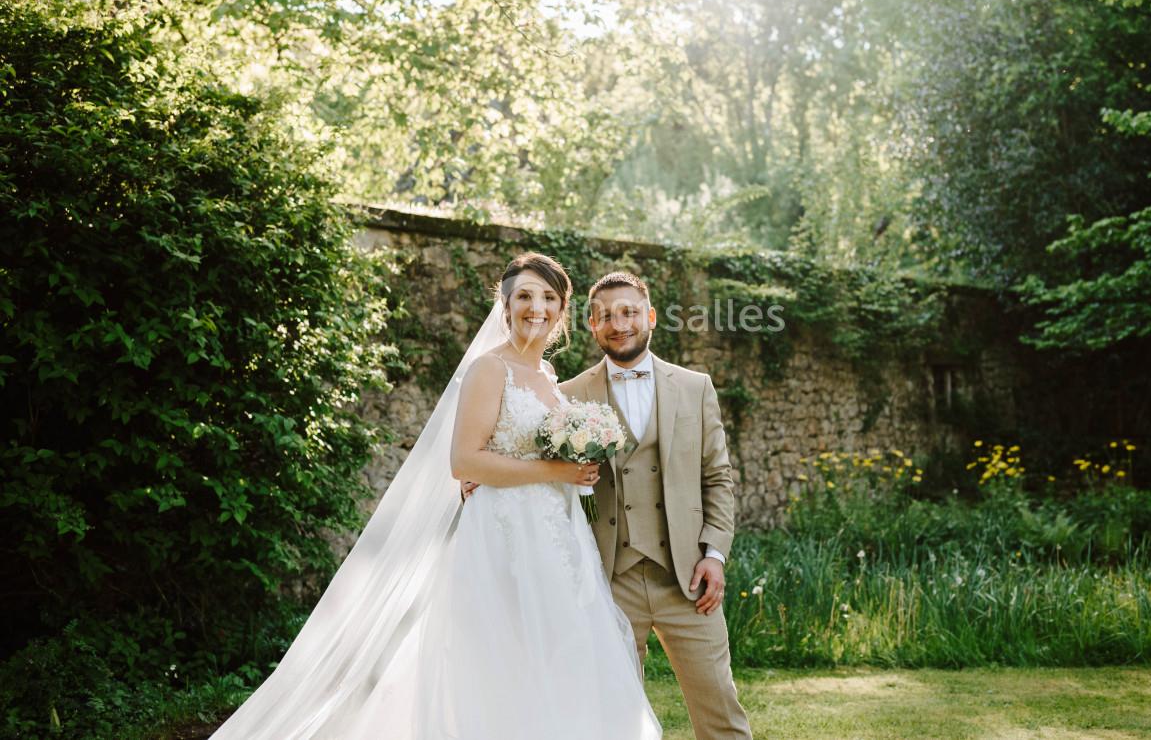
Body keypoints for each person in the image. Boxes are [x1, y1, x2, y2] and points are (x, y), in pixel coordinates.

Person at [210, 253, 660, 740]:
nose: (538, 307)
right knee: (501, 657)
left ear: (563, 310)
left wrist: (579, 469)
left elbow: (527, 456)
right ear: (504, 306)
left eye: (550, 298)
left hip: (556, 535)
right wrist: (556, 469)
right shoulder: (491, 370)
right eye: (525, 296)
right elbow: (464, 461)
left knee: (557, 651)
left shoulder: (550, 380)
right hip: (504, 536)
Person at [559, 271, 752, 740]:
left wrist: (715, 554)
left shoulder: (695, 387)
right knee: (613, 722)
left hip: (687, 579)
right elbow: (543, 477)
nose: (617, 323)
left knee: (721, 716)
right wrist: (477, 480)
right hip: (608, 581)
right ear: (591, 325)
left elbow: (717, 478)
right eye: (605, 315)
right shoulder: (567, 396)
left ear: (649, 317)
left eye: (628, 312)